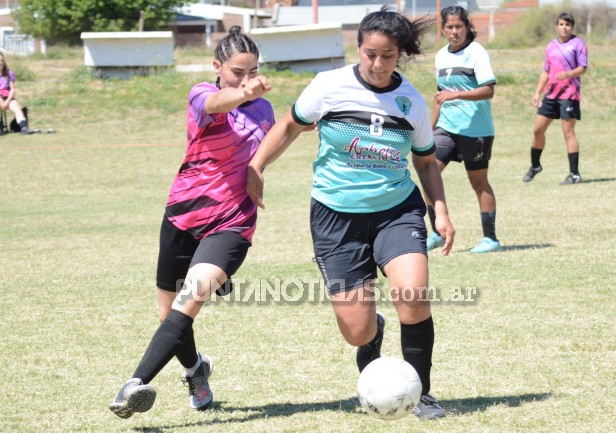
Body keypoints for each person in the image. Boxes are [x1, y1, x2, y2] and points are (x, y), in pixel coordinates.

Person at [247, 5, 455, 420]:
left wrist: (441, 210)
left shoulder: (409, 101)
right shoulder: (329, 86)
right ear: (358, 48)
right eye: (369, 54)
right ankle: (372, 331)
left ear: (401, 55)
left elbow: (427, 161)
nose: (377, 64)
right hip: (335, 217)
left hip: (396, 210)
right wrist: (257, 164)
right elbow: (290, 125)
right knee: (356, 331)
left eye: (388, 56)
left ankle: (423, 394)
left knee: (412, 297)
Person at [109, 26, 274, 419]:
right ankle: (195, 369)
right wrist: (243, 93)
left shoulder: (263, 111)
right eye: (238, 71)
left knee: (190, 298)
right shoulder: (202, 94)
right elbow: (219, 102)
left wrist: (257, 167)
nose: (246, 80)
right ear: (217, 67)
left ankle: (134, 383)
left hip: (232, 221)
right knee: (170, 317)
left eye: (252, 72)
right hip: (183, 216)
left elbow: (265, 146)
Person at [425, 6, 500, 254]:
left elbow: (488, 90)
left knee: (479, 183)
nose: (454, 31)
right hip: (446, 128)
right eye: (449, 27)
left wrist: (457, 94)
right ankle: (436, 233)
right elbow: (440, 96)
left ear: (467, 27)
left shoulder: (476, 52)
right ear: (443, 29)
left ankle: (490, 239)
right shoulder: (441, 56)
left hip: (476, 130)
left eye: (459, 26)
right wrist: (429, 129)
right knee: (429, 174)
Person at [522, 12, 588, 185]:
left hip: (569, 94)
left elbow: (583, 68)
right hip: (551, 95)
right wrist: (537, 92)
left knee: (568, 132)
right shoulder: (551, 46)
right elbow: (546, 71)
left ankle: (575, 174)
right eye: (561, 24)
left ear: (572, 27)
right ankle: (535, 166)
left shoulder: (578, 43)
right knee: (537, 130)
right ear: (556, 26)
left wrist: (568, 74)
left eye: (567, 24)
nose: (564, 27)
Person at [0, 52, 29, 134]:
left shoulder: (9, 73)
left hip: (7, 96)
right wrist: (2, 103)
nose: (0, 62)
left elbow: (12, 89)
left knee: (16, 107)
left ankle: (23, 127)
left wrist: (7, 101)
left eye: (2, 60)